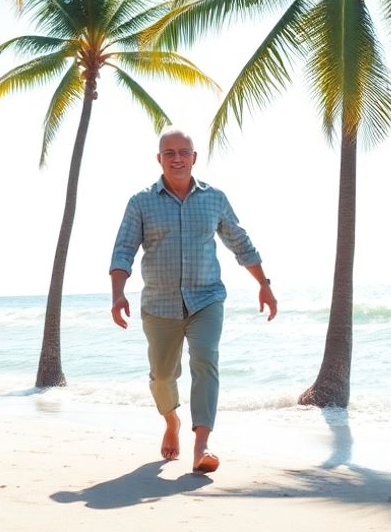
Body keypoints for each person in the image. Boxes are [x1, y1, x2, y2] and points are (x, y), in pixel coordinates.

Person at [109, 127, 277, 473]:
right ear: (159, 160)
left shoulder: (214, 198)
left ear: (194, 157)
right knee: (161, 376)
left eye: (183, 152)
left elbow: (239, 242)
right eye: (169, 153)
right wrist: (118, 294)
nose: (177, 159)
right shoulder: (141, 202)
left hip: (207, 299)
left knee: (205, 360)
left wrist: (264, 283)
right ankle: (171, 421)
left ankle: (202, 445)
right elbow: (123, 249)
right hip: (159, 304)